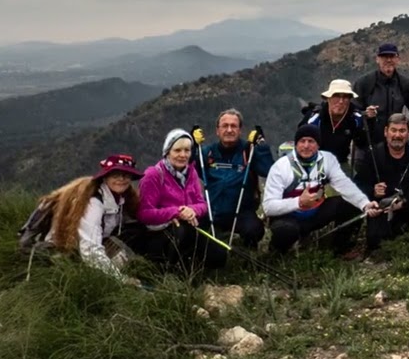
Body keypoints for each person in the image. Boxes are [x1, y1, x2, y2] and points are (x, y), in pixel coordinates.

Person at [262, 124, 383, 255]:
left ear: (318, 144)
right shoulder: (281, 167)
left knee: (350, 205)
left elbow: (344, 185)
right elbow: (268, 207)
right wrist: (299, 202)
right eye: (302, 141)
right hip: (289, 217)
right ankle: (276, 254)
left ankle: (339, 249)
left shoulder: (327, 160)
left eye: (311, 141)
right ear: (296, 144)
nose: (306, 146)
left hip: (316, 213)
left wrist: (365, 204)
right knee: (285, 230)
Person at [39, 154, 145, 280]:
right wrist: (121, 280)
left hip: (83, 248)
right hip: (66, 251)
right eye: (115, 175)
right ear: (106, 177)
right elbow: (90, 249)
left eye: (126, 175)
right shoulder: (94, 203)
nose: (121, 179)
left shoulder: (121, 200)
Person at [138, 129, 224, 269]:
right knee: (183, 234)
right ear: (167, 152)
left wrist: (192, 210)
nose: (183, 155)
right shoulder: (153, 175)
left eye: (187, 150)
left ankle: (192, 268)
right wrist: (177, 212)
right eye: (177, 150)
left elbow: (202, 204)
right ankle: (168, 269)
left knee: (219, 256)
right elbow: (144, 214)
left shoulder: (191, 172)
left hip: (189, 227)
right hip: (160, 233)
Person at [355, 114, 409, 254]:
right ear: (386, 132)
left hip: (408, 204)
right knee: (375, 242)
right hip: (383, 207)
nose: (397, 135)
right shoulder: (374, 154)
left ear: (408, 133)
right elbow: (359, 184)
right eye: (394, 130)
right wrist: (373, 192)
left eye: (402, 131)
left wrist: (405, 201)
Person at [198, 109, 274, 248]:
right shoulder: (207, 153)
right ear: (217, 130)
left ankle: (247, 254)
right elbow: (186, 170)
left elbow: (268, 171)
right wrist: (192, 146)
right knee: (193, 228)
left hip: (241, 213)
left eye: (233, 126)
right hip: (212, 211)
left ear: (240, 130)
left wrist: (261, 145)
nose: (229, 130)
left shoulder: (248, 151)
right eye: (225, 126)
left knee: (254, 230)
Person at [355, 43, 409, 148]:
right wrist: (365, 114)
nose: (388, 60)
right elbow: (352, 113)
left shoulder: (406, 85)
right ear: (377, 59)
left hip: (396, 146)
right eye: (384, 56)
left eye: (392, 56)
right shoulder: (364, 83)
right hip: (368, 146)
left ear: (398, 59)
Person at [301, 79, 371, 170]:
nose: (341, 101)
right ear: (328, 98)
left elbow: (363, 143)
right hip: (314, 162)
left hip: (340, 163)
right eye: (336, 96)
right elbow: (301, 143)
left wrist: (370, 121)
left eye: (345, 97)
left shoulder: (356, 119)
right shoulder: (314, 118)